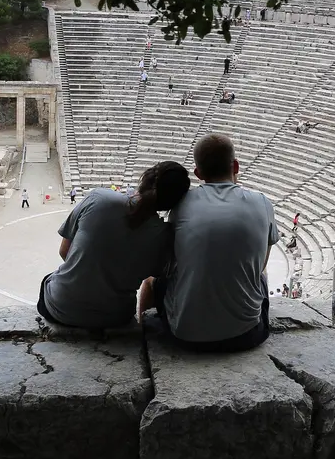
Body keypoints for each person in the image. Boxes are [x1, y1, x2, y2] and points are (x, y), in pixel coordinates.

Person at [139, 135, 277, 352]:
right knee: (261, 272)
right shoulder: (262, 203)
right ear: (236, 166)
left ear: (198, 173)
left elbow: (171, 261)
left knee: (151, 282)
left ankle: (140, 333)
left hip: (184, 335)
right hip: (247, 334)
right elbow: (260, 266)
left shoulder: (181, 205)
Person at [39, 161, 190, 330]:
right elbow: (154, 278)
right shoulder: (164, 235)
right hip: (116, 316)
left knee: (49, 280)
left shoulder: (99, 198)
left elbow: (64, 251)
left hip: (61, 307)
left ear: (144, 180)